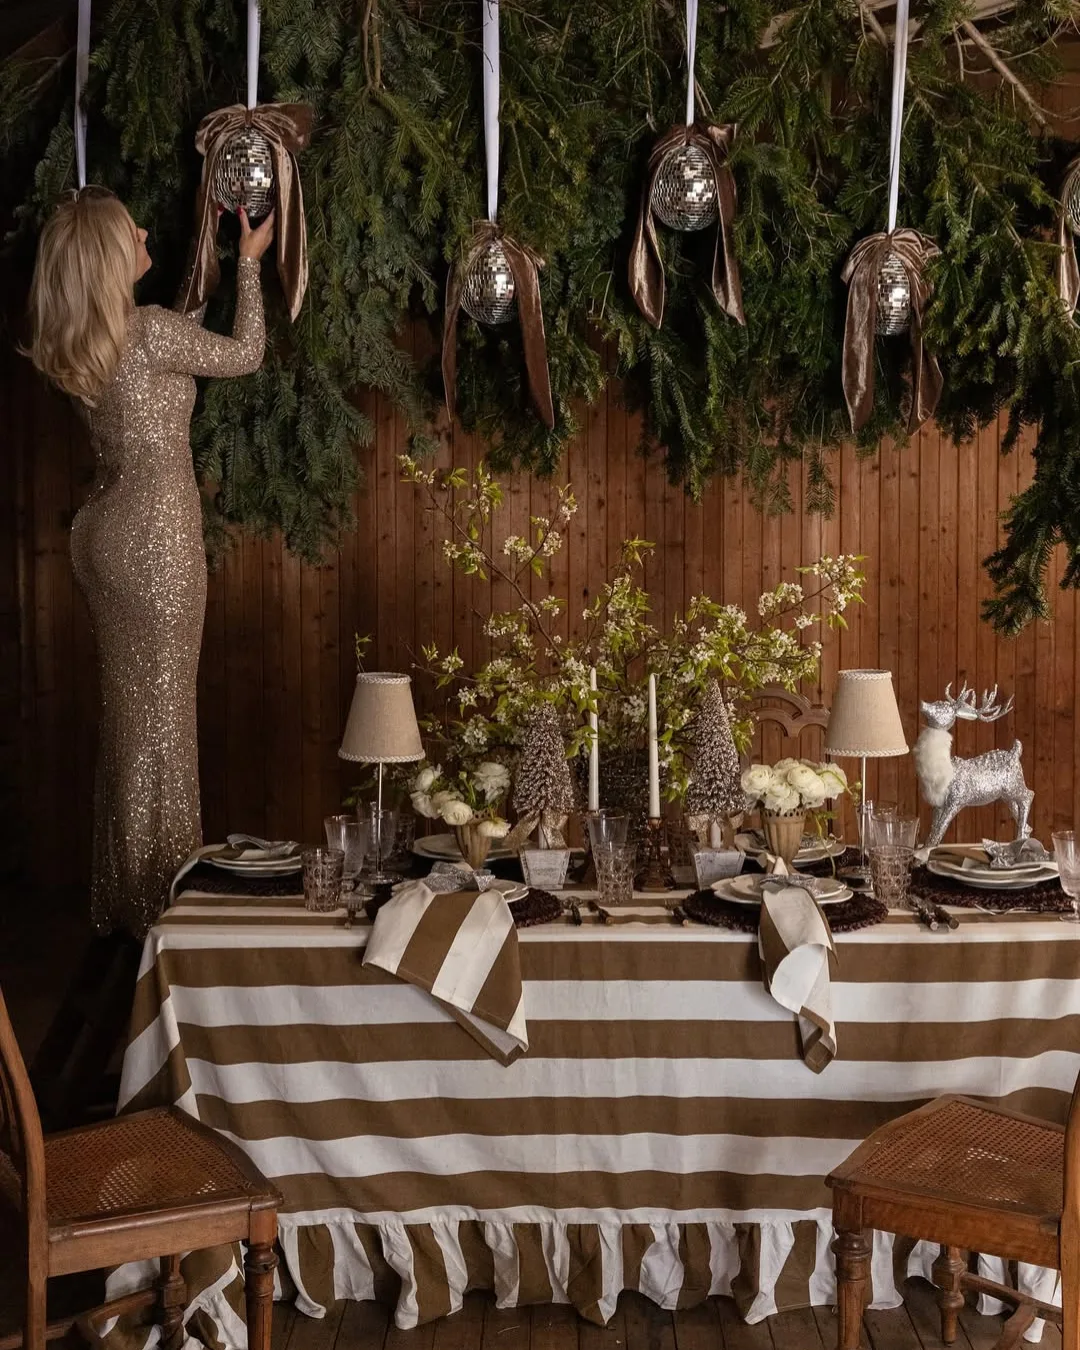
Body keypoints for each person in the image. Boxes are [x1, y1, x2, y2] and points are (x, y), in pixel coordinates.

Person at [27, 188, 275, 937]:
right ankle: (162, 912)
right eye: (130, 227)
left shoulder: (90, 342)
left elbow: (173, 352)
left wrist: (205, 260)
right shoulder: (152, 333)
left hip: (102, 536)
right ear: (107, 256)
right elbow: (246, 355)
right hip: (157, 538)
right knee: (164, 723)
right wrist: (252, 266)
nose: (143, 228)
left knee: (129, 723)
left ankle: (126, 901)